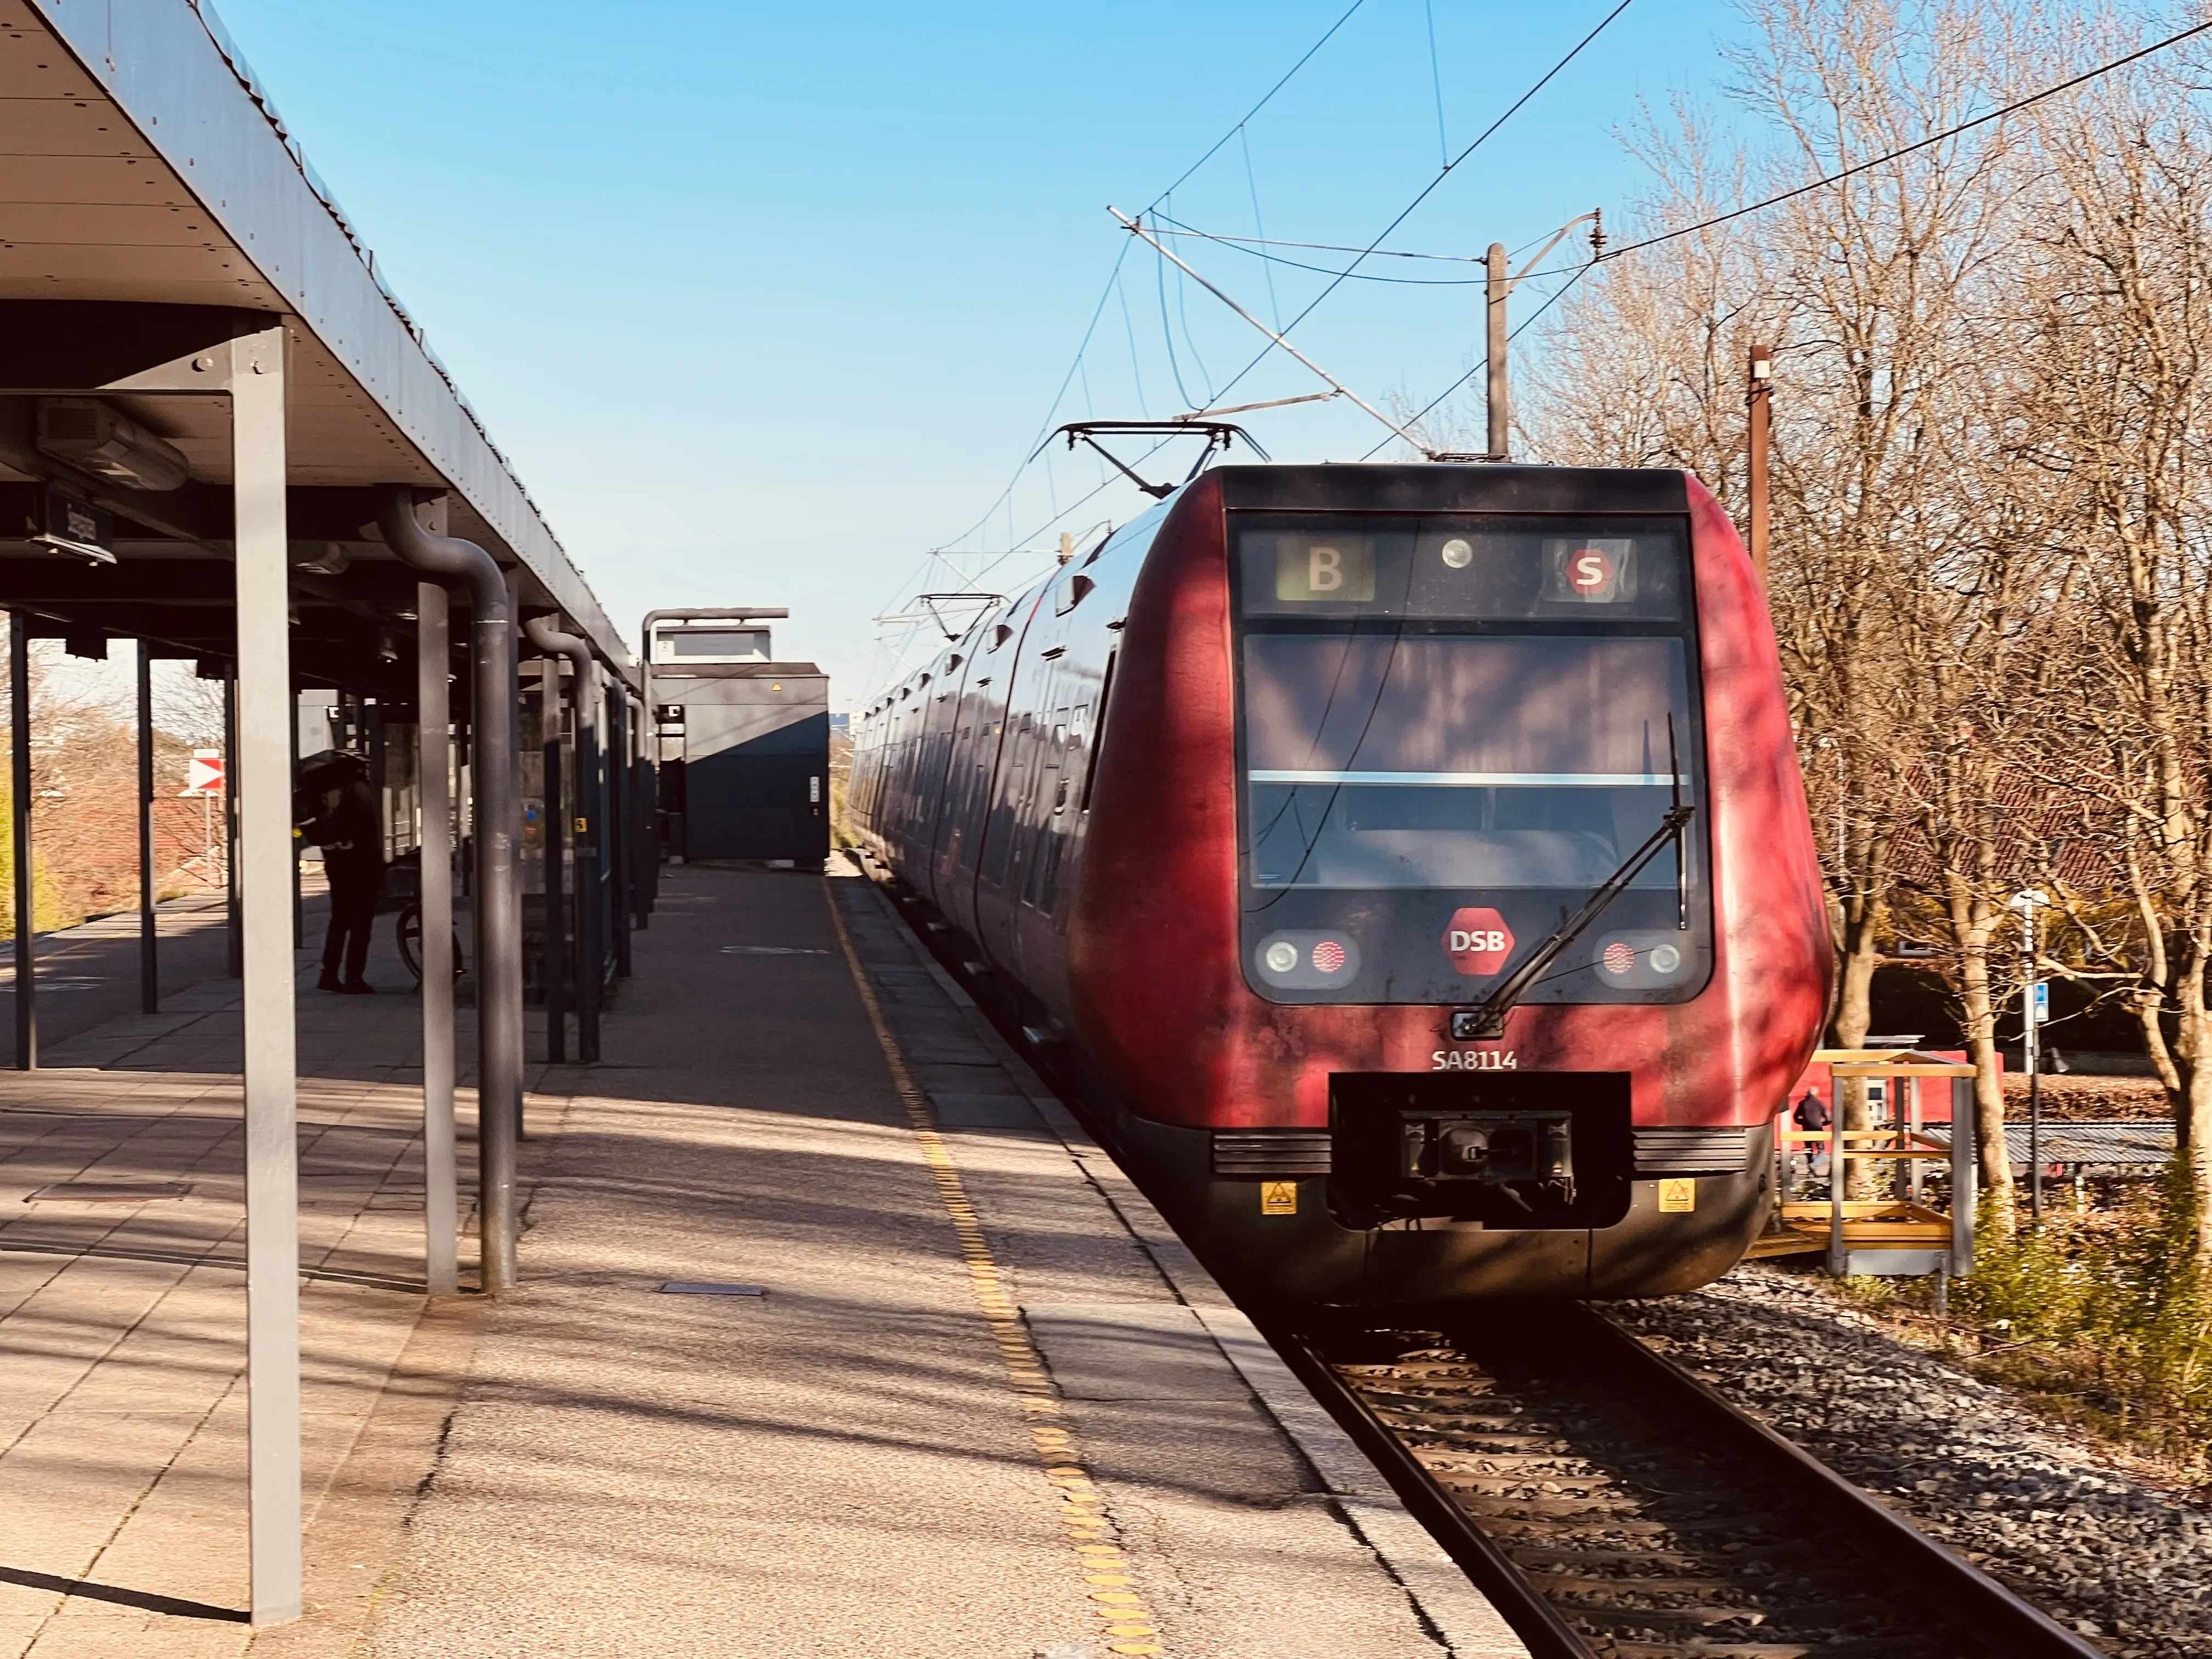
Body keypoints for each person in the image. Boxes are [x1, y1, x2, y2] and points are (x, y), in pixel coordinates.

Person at [300, 751, 385, 994]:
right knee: (361, 924)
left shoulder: (326, 791)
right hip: (361, 865)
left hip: (336, 863)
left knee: (339, 920)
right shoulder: (359, 789)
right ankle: (354, 977)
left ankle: (328, 975)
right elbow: (364, 828)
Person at [1792, 1088, 1832, 1182]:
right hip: (1818, 1130)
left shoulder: (1803, 1104)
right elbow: (1829, 1118)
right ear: (1817, 1094)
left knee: (1809, 1149)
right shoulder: (1820, 1104)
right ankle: (1814, 1165)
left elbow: (1795, 1117)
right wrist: (1822, 1124)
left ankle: (1811, 1170)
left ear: (1808, 1094)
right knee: (1821, 1150)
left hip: (1806, 1130)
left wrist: (1803, 1122)